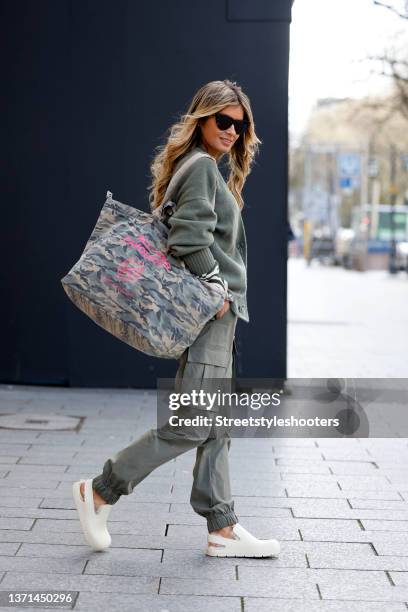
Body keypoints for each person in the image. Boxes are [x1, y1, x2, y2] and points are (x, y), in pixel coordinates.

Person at [73, 79, 280, 558]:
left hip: (216, 317)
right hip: (210, 313)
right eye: (222, 120)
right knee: (191, 423)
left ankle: (221, 528)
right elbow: (188, 238)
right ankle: (101, 489)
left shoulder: (195, 166)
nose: (231, 130)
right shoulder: (203, 167)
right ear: (201, 119)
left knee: (215, 422)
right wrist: (217, 287)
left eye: (239, 124)